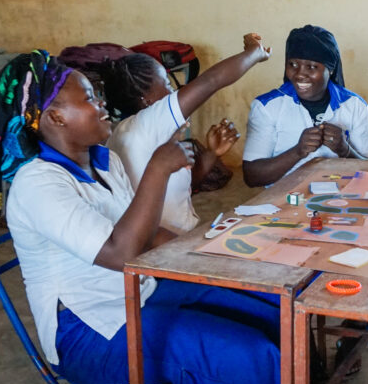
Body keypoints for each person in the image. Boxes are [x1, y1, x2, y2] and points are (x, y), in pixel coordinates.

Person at [0, 51, 282, 384]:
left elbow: (148, 234)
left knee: (269, 302)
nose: (101, 104)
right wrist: (158, 170)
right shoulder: (38, 185)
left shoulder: (102, 161)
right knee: (239, 349)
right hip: (90, 335)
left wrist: (220, 257)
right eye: (87, 97)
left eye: (97, 94)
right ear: (54, 118)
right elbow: (122, 252)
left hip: (140, 293)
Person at [103, 34, 271, 234]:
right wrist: (254, 53)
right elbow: (211, 81)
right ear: (146, 99)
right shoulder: (148, 122)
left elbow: (179, 190)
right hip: (163, 246)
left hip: (174, 237)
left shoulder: (124, 133)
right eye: (166, 84)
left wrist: (211, 153)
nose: (173, 91)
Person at [242, 25, 368, 187]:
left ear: (330, 69)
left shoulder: (355, 106)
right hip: (284, 201)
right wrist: (297, 152)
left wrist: (344, 149)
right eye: (293, 64)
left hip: (340, 197)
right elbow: (251, 177)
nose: (299, 74)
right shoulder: (266, 107)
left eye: (311, 67)